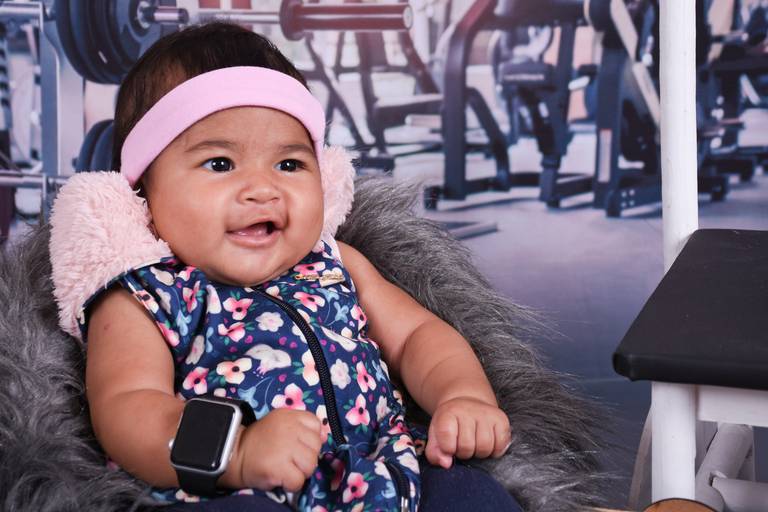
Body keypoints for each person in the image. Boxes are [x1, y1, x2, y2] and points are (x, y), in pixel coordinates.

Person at [49, 22, 522, 511]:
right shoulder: (146, 296)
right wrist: (236, 453)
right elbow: (127, 407)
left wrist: (462, 396)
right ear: (143, 192)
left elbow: (416, 336)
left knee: (474, 496)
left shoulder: (335, 262)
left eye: (289, 164)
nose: (263, 189)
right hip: (238, 489)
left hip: (384, 473)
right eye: (219, 163)